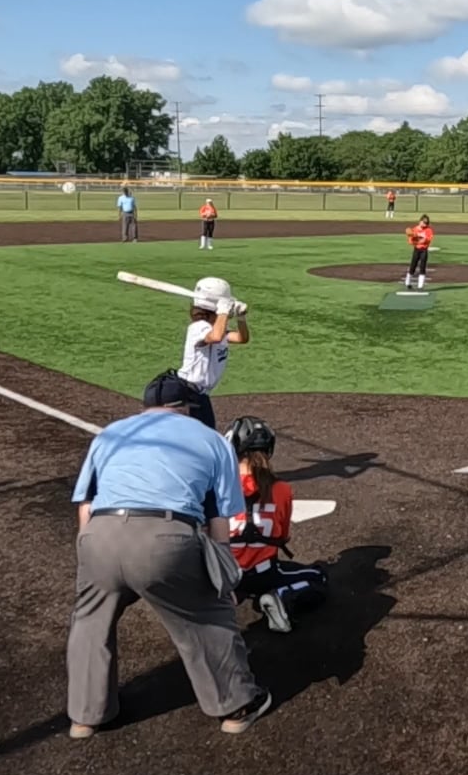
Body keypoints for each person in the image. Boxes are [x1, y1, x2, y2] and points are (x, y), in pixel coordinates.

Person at [67, 371, 272, 739]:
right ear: (187, 408)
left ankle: (86, 716)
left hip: (98, 535)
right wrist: (222, 574)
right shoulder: (211, 439)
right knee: (206, 614)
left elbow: (86, 503)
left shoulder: (110, 433)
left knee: (89, 620)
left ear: (147, 406)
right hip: (163, 539)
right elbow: (218, 517)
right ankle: (236, 705)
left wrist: (90, 560)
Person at [225, 416, 328, 635]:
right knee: (318, 576)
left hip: (226, 572)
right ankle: (282, 595)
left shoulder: (219, 487)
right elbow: (283, 536)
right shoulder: (281, 489)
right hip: (264, 573)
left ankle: (228, 596)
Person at [177, 276, 250, 429]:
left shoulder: (216, 329)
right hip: (187, 394)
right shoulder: (198, 327)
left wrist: (241, 318)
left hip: (200, 395)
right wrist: (223, 312)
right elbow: (216, 337)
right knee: (195, 438)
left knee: (207, 435)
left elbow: (241, 338)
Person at [405, 215, 434, 290]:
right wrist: (413, 237)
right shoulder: (414, 229)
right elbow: (410, 241)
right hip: (417, 249)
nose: (425, 224)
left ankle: (420, 285)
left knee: (423, 266)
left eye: (426, 223)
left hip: (424, 250)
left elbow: (428, 239)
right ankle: (408, 282)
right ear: (420, 221)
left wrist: (419, 237)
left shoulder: (428, 230)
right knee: (413, 265)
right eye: (423, 222)